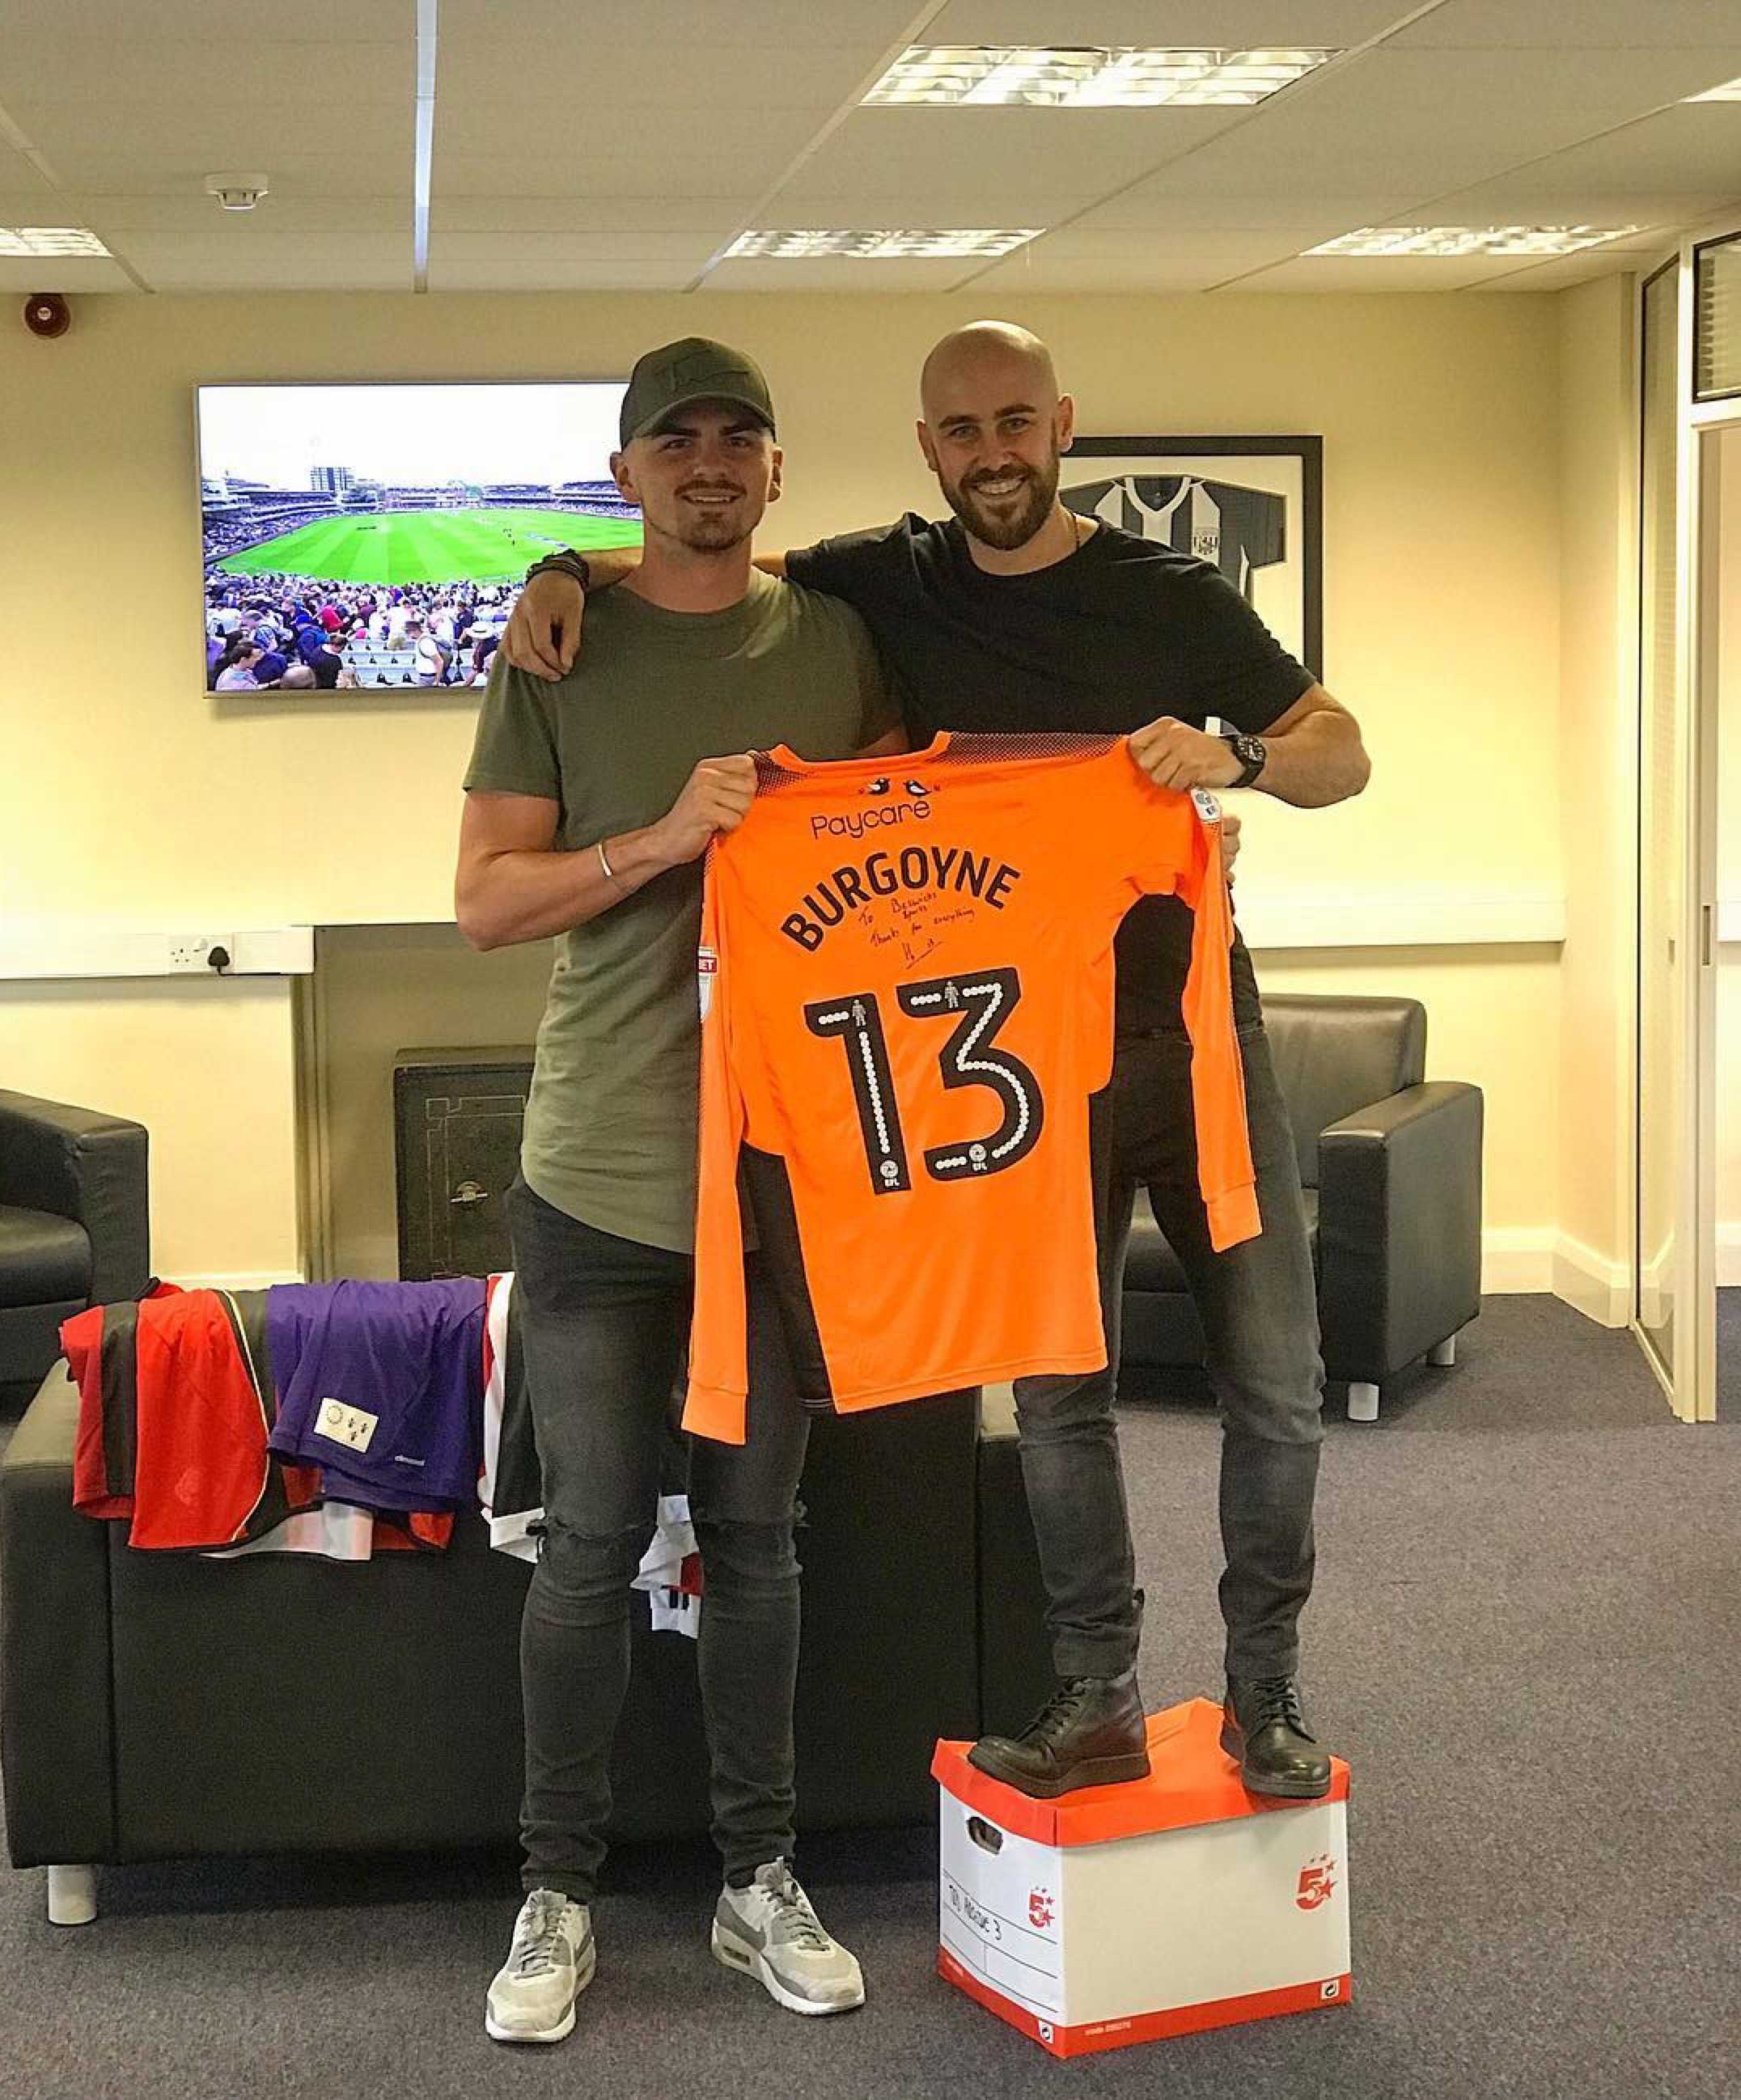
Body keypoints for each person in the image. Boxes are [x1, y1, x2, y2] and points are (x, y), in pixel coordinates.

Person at [502, 320, 1371, 1805]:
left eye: (1015, 423)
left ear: (1063, 425)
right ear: (928, 450)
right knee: (1059, 1394)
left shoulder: (1166, 591)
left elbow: (1339, 752)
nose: (993, 454)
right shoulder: (885, 581)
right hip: (1025, 1064)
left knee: (1277, 1382)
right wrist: (562, 567)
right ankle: (1096, 1693)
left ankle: (1267, 1691)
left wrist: (1234, 757)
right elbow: (715, 555)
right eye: (963, 432)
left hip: (1192, 1041)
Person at [456, 337, 903, 2047]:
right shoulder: (556, 647)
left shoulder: (838, 640)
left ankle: (757, 1877)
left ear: (776, 470)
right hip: (599, 1175)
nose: (709, 463)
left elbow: (911, 850)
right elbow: (487, 902)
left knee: (757, 1542)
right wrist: (665, 835)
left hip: (781, 1182)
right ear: (627, 471)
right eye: (677, 440)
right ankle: (554, 1892)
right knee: (583, 1541)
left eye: (739, 438)